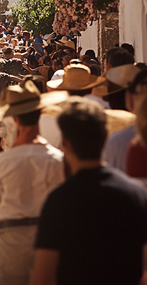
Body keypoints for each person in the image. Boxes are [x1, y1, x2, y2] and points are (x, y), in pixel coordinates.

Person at [29, 97, 147, 285]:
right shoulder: (135, 194)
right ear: (104, 138)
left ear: (66, 146)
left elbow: (43, 277)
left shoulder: (57, 200)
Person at [0, 81, 68, 285]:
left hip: (11, 241)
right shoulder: (57, 159)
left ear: (15, 120)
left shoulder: (4, 160)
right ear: (40, 114)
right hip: (50, 242)